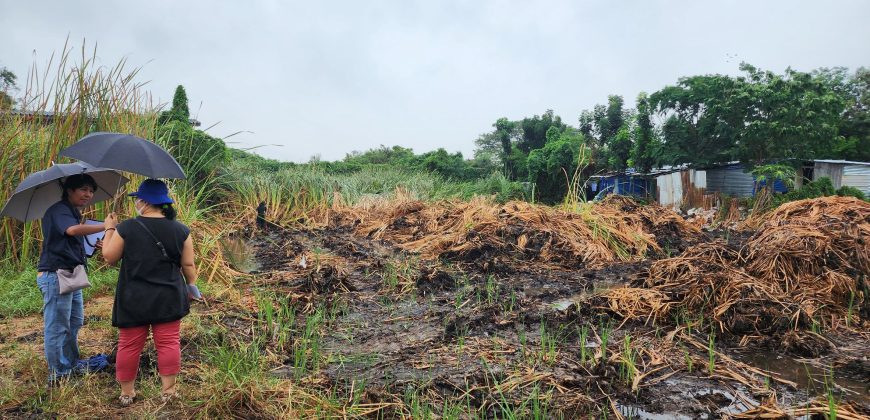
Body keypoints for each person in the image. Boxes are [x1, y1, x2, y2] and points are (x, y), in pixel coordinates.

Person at [102, 179, 199, 406]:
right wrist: (192, 286)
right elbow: (188, 265)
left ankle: (127, 393)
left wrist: (109, 228)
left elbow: (109, 257)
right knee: (168, 343)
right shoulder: (181, 230)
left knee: (128, 344)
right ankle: (169, 391)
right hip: (168, 296)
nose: (136, 202)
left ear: (144, 202)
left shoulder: (126, 228)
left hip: (133, 296)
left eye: (137, 199)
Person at [36, 174, 116, 383]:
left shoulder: (71, 213)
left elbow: (70, 241)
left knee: (74, 322)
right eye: (83, 189)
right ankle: (59, 375)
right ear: (69, 190)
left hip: (71, 274)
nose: (88, 195)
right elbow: (71, 231)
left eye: (91, 191)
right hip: (56, 275)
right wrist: (106, 227)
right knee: (57, 326)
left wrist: (95, 245)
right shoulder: (60, 210)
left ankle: (70, 365)